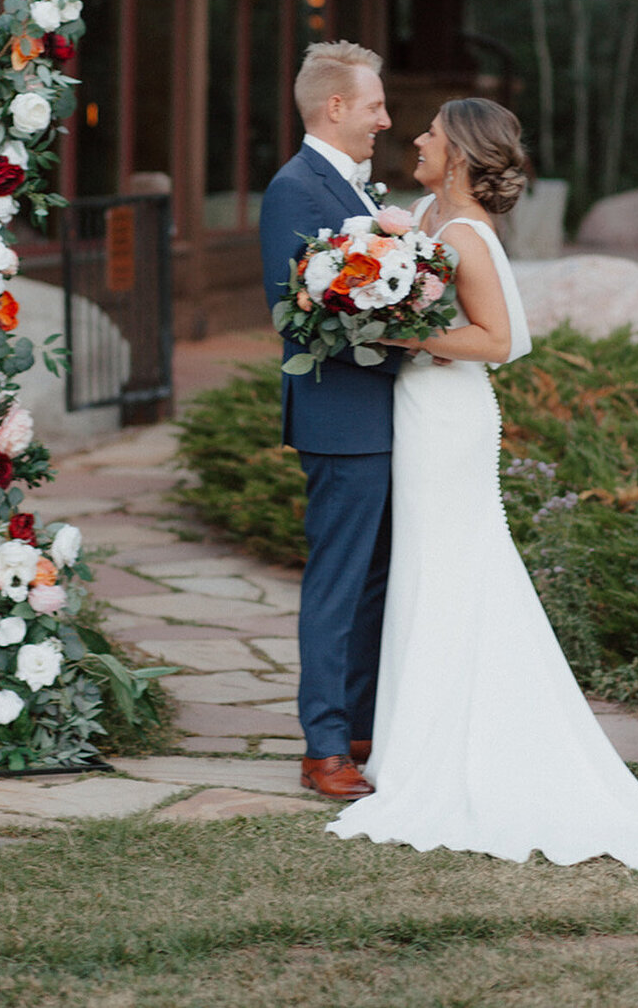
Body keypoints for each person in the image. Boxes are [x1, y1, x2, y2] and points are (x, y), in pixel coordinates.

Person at [327, 97, 638, 869]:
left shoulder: (465, 233)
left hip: (450, 417)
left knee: (459, 566)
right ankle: (415, 743)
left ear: (456, 151)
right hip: (414, 405)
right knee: (426, 570)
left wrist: (393, 328)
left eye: (429, 132)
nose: (416, 138)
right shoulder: (417, 213)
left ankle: (457, 753)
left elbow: (502, 339)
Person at [259, 41, 401, 801]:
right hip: (341, 419)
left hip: (378, 417)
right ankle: (323, 746)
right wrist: (411, 331)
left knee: (374, 582)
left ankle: (358, 726)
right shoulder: (297, 188)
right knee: (340, 584)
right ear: (335, 106)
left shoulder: (354, 188)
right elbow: (298, 317)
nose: (385, 119)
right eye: (374, 105)